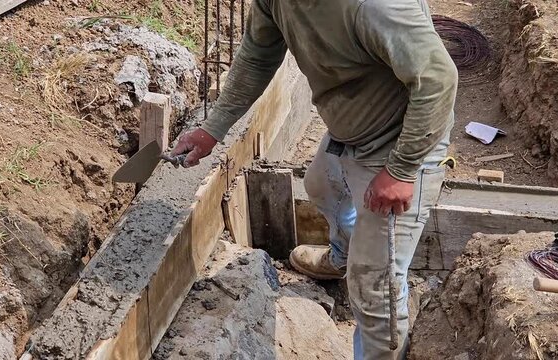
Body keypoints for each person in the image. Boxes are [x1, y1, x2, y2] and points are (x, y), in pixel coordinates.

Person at [171, 0, 458, 359]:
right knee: (321, 185)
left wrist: (401, 171)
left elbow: (438, 80)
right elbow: (257, 57)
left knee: (375, 288)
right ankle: (344, 256)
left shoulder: (375, 6)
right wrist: (213, 129)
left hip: (404, 145)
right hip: (352, 128)